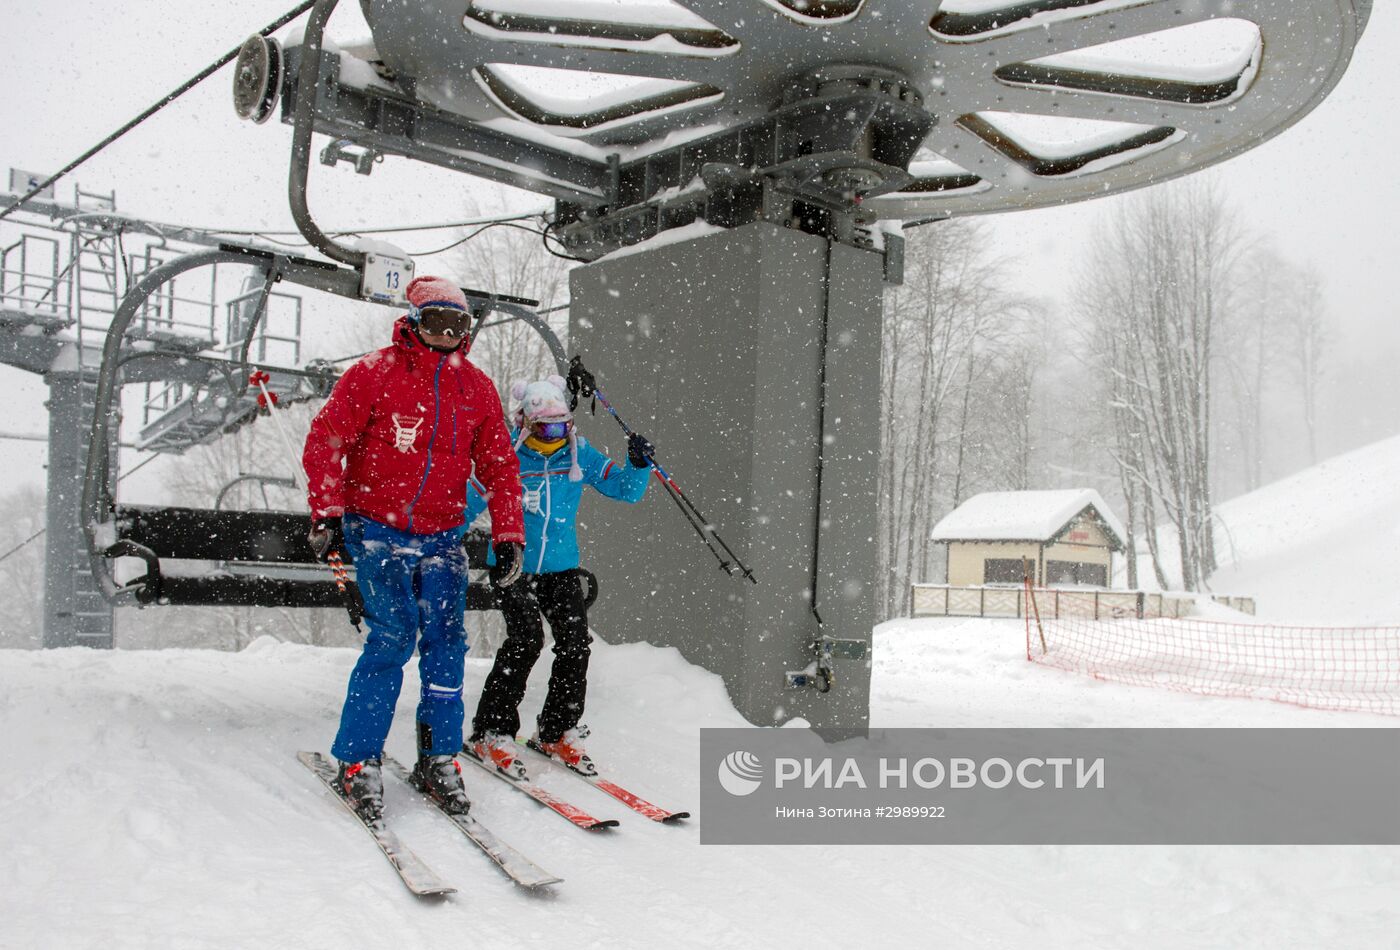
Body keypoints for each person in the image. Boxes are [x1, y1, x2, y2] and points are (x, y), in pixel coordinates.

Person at [302, 275, 525, 822]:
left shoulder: (476, 388)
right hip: (378, 528)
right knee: (394, 636)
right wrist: (327, 510)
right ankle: (357, 760)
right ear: (415, 323)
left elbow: (499, 465)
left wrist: (508, 533)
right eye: (436, 324)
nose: (447, 335)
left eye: (458, 326)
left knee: (447, 642)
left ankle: (439, 755)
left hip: (442, 534)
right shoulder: (375, 374)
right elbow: (327, 440)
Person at [463, 375, 652, 777]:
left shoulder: (577, 453)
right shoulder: (507, 457)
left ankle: (556, 729)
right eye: (546, 428)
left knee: (575, 643)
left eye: (563, 425)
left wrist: (637, 464)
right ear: (525, 424)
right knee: (526, 639)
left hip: (561, 568)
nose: (556, 435)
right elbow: (466, 503)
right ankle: (490, 731)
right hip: (513, 564)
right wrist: (429, 533)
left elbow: (625, 490)